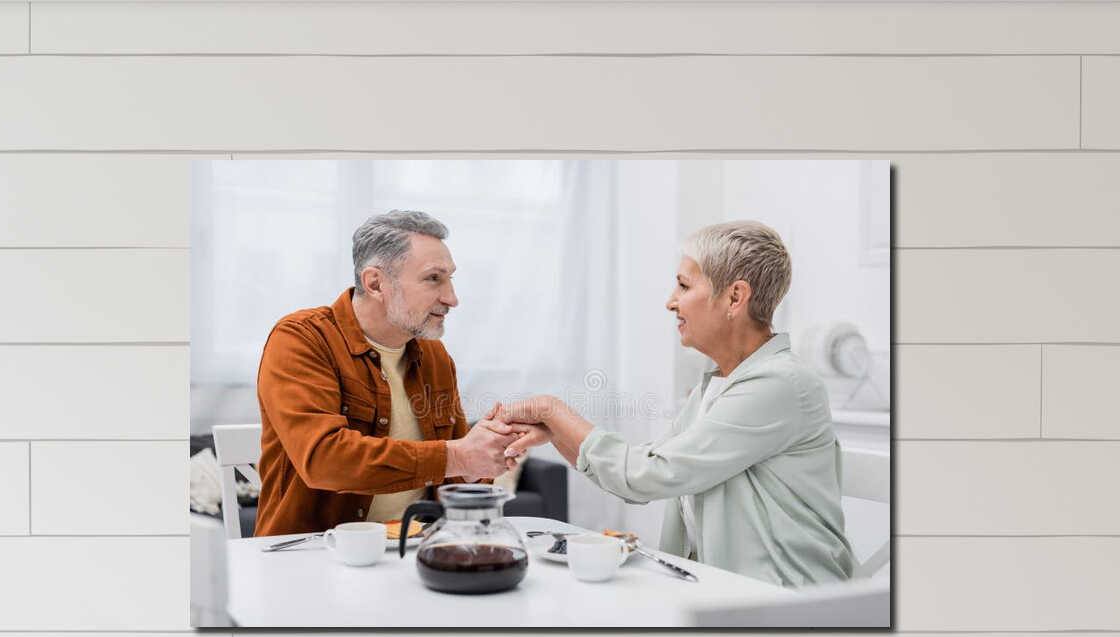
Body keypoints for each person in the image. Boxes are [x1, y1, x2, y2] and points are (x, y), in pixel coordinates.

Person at [492, 220, 854, 588]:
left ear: (734, 297)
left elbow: (647, 475)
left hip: (790, 605)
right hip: (722, 594)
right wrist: (556, 432)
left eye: (683, 285)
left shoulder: (780, 384)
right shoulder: (718, 385)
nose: (670, 301)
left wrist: (553, 411)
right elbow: (643, 467)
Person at [250, 210, 518, 538]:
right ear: (375, 283)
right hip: (313, 557)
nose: (452, 298)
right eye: (434, 278)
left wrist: (485, 455)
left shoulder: (434, 356)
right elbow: (324, 459)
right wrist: (458, 456)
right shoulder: (301, 340)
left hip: (415, 553)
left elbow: (454, 472)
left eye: (450, 279)